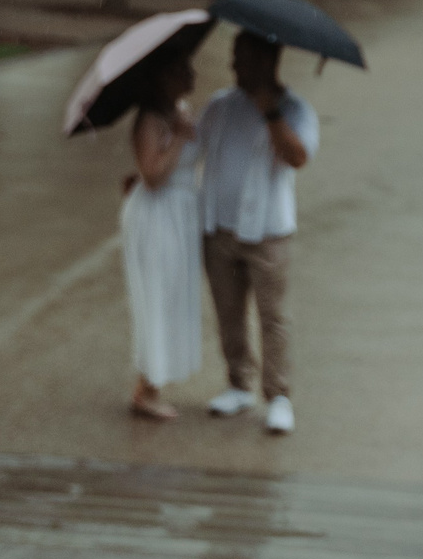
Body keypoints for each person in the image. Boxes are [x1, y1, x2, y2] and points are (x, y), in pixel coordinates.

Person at [196, 30, 315, 434]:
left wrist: (271, 114)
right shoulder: (221, 105)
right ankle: (237, 384)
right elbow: (193, 150)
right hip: (220, 229)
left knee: (273, 316)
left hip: (269, 234)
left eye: (241, 57)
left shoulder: (296, 108)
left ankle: (278, 396)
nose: (233, 65)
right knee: (228, 311)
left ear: (267, 61)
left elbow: (298, 157)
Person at [120, 50, 202, 420]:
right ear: (162, 78)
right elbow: (153, 176)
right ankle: (145, 389)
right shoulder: (150, 119)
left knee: (172, 294)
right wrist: (181, 140)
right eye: (182, 67)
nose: (191, 72)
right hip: (157, 215)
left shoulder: (178, 110)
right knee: (157, 293)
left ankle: (153, 382)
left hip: (180, 212)